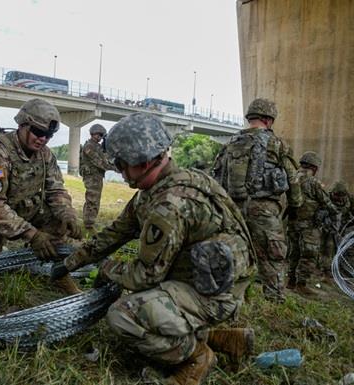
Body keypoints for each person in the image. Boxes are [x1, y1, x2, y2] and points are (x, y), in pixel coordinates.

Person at [52, 112, 256, 384]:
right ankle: (222, 338)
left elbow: (145, 276)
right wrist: (71, 262)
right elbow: (116, 232)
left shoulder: (169, 205)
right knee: (143, 296)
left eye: (123, 164)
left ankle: (197, 357)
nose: (120, 171)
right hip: (202, 280)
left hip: (216, 294)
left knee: (123, 315)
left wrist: (107, 269)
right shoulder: (161, 186)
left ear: (145, 161)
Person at [0, 98, 83, 295]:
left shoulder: (45, 155)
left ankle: (58, 273)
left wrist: (68, 214)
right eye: (38, 132)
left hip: (19, 209)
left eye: (49, 135)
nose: (43, 139)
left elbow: (56, 190)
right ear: (22, 125)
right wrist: (33, 235)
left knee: (57, 219)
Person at [212, 98, 302, 302]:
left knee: (235, 253)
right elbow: (293, 179)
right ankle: (274, 300)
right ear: (268, 120)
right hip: (264, 209)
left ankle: (231, 299)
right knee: (273, 254)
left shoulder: (231, 143)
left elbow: (216, 177)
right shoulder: (276, 143)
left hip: (233, 209)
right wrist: (295, 205)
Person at [286, 151, 338, 294]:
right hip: (309, 225)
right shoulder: (313, 182)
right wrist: (334, 213)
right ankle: (301, 284)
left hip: (292, 222)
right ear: (314, 167)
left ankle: (290, 281)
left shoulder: (292, 177)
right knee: (309, 254)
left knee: (294, 252)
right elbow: (327, 203)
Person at [320, 181, 354, 272]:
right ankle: (326, 268)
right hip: (330, 227)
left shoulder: (349, 199)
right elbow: (320, 211)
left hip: (344, 226)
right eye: (337, 195)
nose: (339, 198)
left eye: (342, 195)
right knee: (329, 246)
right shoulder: (326, 198)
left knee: (346, 247)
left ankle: (343, 268)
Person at [79, 123, 117, 233]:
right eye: (99, 135)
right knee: (92, 200)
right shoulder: (89, 146)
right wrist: (114, 168)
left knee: (95, 199)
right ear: (93, 133)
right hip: (91, 177)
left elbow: (105, 158)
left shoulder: (98, 146)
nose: (100, 137)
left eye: (102, 135)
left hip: (97, 176)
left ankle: (90, 222)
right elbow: (99, 162)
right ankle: (88, 224)